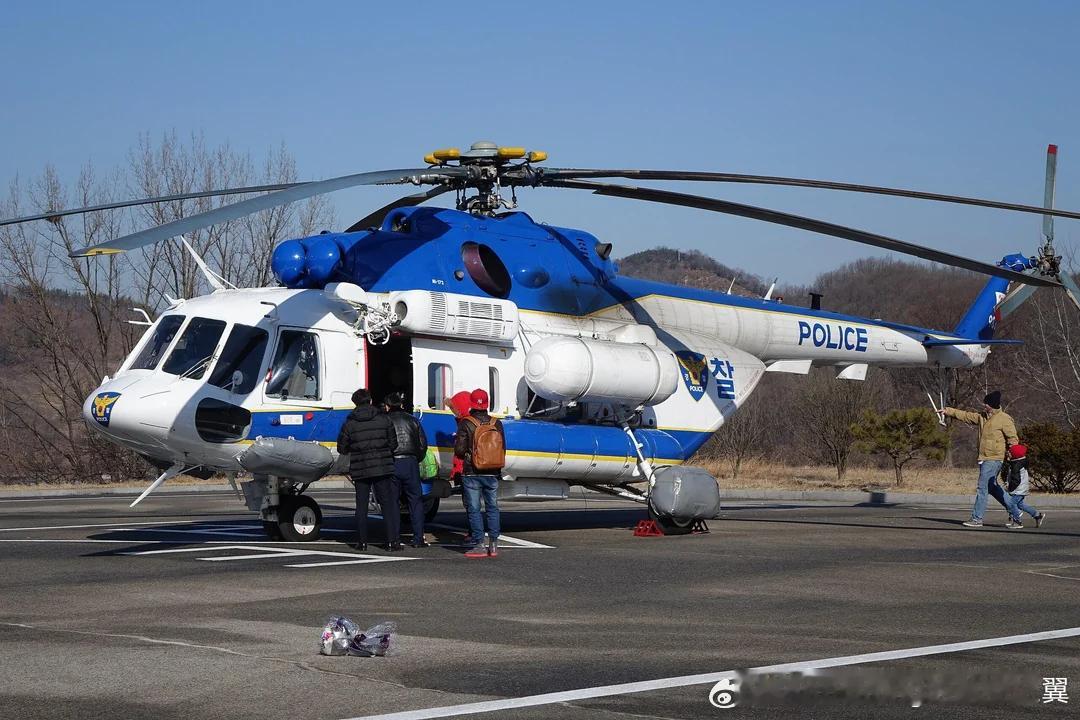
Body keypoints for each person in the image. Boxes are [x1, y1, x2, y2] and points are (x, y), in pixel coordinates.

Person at [940, 391, 1023, 529]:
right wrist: (948, 411)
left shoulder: (1004, 419)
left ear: (992, 404)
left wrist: (1012, 455)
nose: (984, 405)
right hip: (984, 458)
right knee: (993, 489)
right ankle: (1016, 512)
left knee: (982, 488)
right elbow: (966, 415)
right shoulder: (982, 416)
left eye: (986, 403)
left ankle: (977, 518)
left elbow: (1013, 439)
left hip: (994, 459)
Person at [336, 388, 401, 551]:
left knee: (361, 506)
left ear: (355, 403)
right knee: (387, 505)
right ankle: (391, 541)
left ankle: (362, 542)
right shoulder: (384, 419)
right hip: (382, 466)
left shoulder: (350, 423)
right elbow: (394, 444)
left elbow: (341, 448)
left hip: (360, 467)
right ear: (370, 401)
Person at [454, 388, 505, 558]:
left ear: (472, 403)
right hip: (492, 471)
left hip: (472, 472)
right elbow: (502, 448)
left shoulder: (466, 423)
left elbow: (460, 450)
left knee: (474, 509)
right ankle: (494, 544)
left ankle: (479, 544)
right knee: (492, 507)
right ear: (487, 403)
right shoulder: (496, 423)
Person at [385, 391, 430, 548]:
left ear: (387, 406)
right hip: (410, 462)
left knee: (393, 502)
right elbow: (423, 444)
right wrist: (416, 458)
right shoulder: (413, 420)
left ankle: (394, 539)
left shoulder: (385, 420)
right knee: (415, 501)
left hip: (392, 462)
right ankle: (418, 538)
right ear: (401, 404)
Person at [1002, 444, 1045, 529]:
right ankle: (1037, 515)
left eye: (1010, 452)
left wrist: (1010, 488)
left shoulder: (1016, 465)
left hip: (1019, 489)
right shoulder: (1019, 462)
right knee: (1020, 505)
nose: (1007, 453)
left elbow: (1016, 480)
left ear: (1015, 454)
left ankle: (1017, 522)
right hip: (1022, 488)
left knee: (1011, 503)